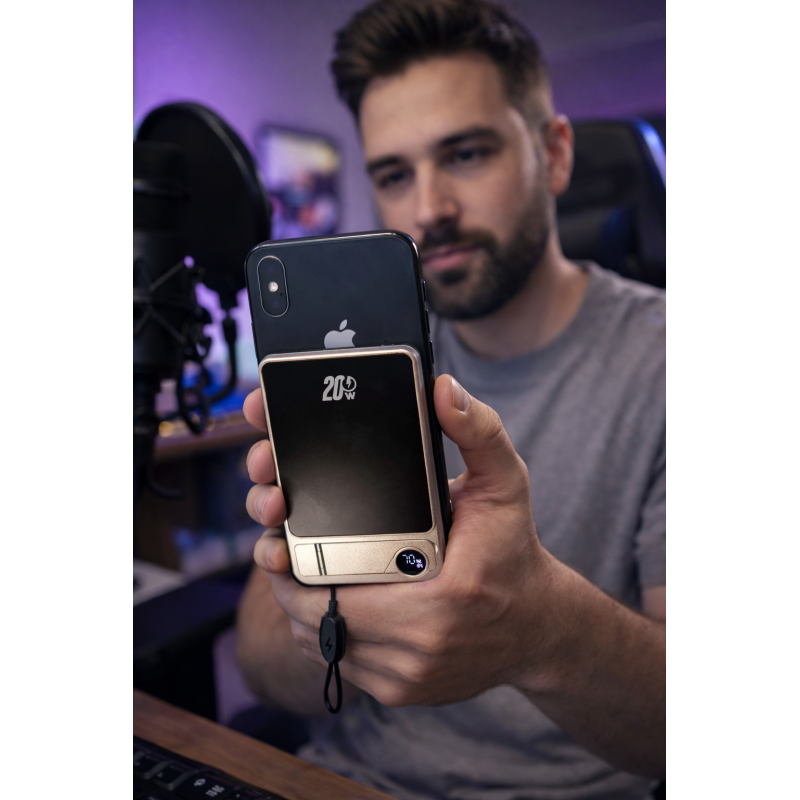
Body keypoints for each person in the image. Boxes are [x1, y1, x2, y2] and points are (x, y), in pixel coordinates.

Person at [236, 1, 665, 798]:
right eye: (393, 175)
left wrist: (539, 628)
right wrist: (313, 607)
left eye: (465, 154)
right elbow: (260, 669)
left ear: (554, 154)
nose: (427, 208)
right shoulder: (358, 369)